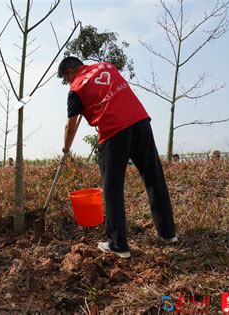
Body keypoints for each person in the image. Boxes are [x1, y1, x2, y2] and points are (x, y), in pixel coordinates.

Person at [58, 56, 177, 258]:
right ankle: (168, 234)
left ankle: (118, 244)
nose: (68, 83)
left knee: (112, 188)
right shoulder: (107, 66)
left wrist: (65, 150)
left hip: (113, 132)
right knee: (153, 177)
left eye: (66, 79)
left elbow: (70, 126)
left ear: (70, 72)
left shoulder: (76, 88)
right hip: (140, 122)